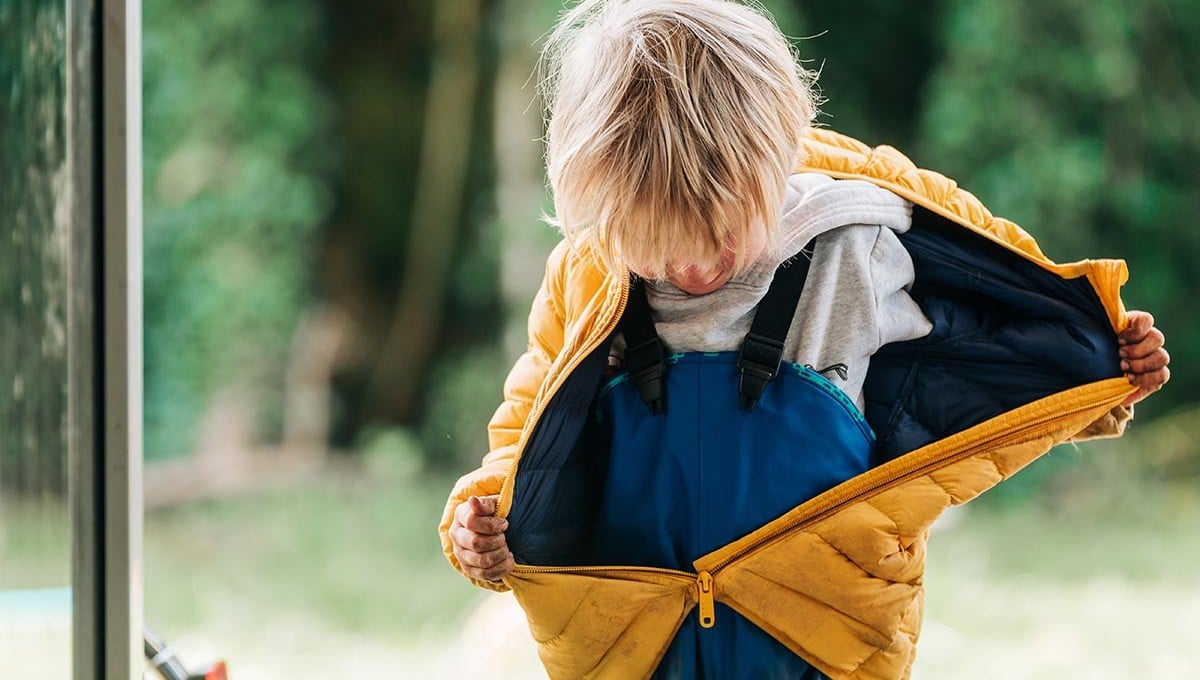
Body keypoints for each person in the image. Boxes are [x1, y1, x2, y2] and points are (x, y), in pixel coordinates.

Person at [438, 1, 1170, 678]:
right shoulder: (591, 277)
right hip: (639, 648)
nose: (691, 271)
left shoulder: (863, 244)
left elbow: (1004, 335)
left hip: (827, 642)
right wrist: (487, 514)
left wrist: (1103, 362)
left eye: (721, 241)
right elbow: (528, 430)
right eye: (659, 252)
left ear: (777, 162)